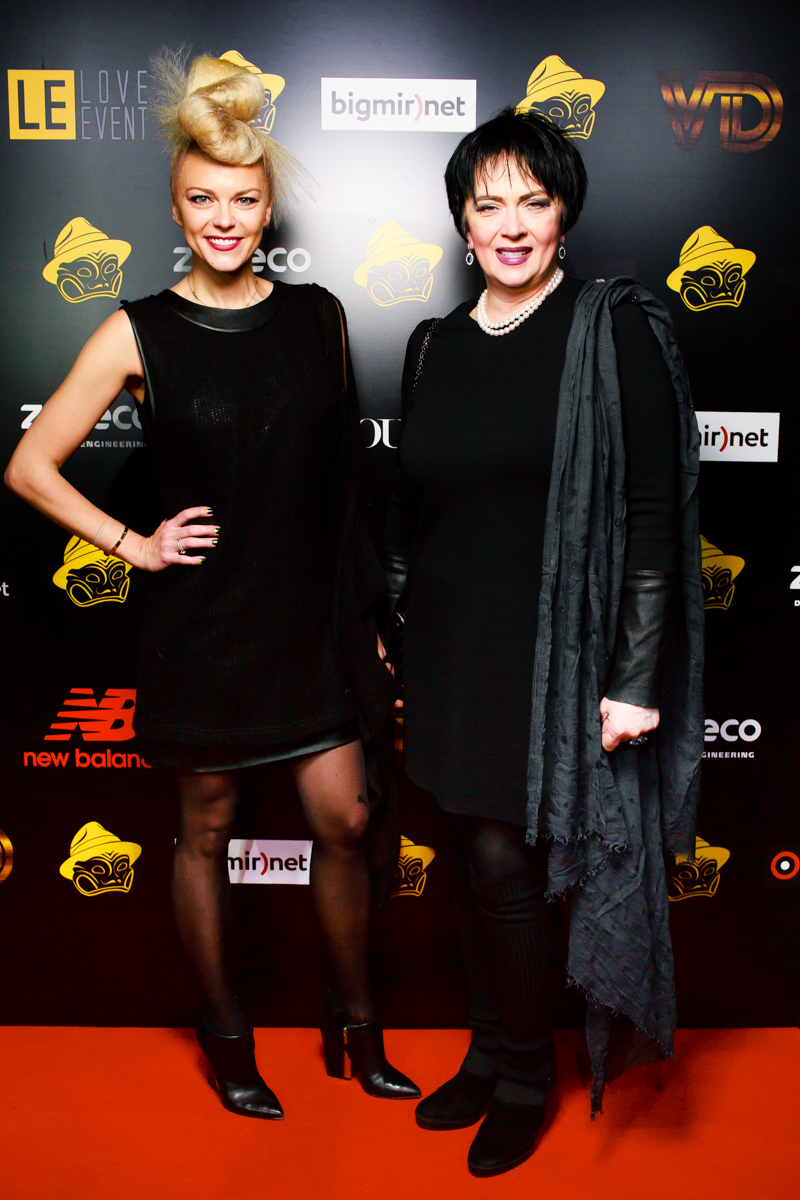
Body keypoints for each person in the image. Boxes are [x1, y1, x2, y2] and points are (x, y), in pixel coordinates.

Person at [5, 52, 419, 1120]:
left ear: (268, 207)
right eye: (202, 200)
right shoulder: (135, 330)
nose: (223, 220)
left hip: (309, 626)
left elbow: (345, 490)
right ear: (176, 208)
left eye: (242, 200)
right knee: (205, 831)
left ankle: (355, 1020)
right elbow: (29, 464)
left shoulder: (320, 316)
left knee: (346, 819)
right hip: (203, 632)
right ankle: (227, 1033)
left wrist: (368, 621)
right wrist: (131, 543)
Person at [384, 108, 704, 1176]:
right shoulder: (432, 345)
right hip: (449, 650)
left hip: (554, 655)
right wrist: (394, 632)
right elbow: (412, 510)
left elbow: (653, 515)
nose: (511, 225)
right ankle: (487, 1051)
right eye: (490, 205)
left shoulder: (613, 330)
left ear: (564, 214)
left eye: (534, 201)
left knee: (501, 860)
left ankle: (524, 1077)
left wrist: (634, 677)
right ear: (462, 222)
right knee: (473, 862)